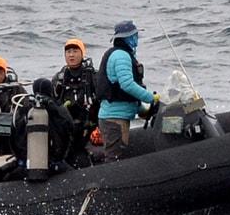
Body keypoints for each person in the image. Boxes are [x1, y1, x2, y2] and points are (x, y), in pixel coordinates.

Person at [95, 20, 158, 162]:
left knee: (117, 155)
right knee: (113, 159)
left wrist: (142, 109)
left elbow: (124, 92)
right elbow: (127, 85)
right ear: (126, 37)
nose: (137, 39)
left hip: (117, 117)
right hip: (114, 120)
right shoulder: (121, 56)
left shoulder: (122, 55)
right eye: (134, 36)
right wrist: (150, 98)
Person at [12, 77, 76, 176]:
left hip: (27, 164)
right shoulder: (58, 108)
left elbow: (15, 137)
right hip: (55, 163)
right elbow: (70, 128)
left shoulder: (25, 110)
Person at [52, 38, 99, 167]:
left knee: (96, 155)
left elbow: (102, 100)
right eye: (68, 52)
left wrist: (99, 127)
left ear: (82, 53)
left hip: (89, 129)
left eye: (75, 51)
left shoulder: (93, 76)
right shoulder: (59, 79)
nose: (71, 55)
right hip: (67, 130)